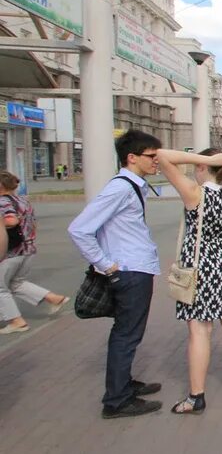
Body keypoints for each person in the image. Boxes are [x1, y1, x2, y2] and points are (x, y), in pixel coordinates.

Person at [67, 130, 164, 419]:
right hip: (129, 270)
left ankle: (124, 384)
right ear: (131, 157)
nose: (157, 161)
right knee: (126, 334)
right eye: (152, 156)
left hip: (136, 267)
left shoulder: (132, 186)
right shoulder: (120, 188)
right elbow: (79, 229)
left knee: (128, 332)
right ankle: (117, 400)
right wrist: (104, 263)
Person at [157, 148, 222, 415]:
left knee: (199, 330)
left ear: (204, 167)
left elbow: (161, 156)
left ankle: (196, 396)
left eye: (199, 166)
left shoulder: (194, 193)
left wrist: (206, 159)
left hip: (202, 266)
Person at [0, 171, 70, 334]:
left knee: (1, 288)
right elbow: (33, 224)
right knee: (16, 283)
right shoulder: (23, 201)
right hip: (28, 249)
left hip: (10, 251)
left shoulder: (2, 202)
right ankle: (54, 298)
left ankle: (16, 321)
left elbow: (11, 220)